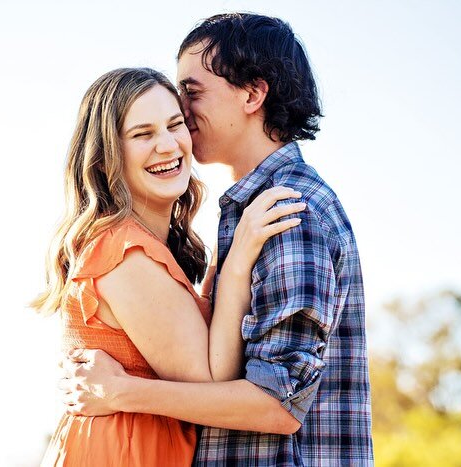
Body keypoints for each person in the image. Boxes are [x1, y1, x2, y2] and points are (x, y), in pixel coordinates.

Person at [61, 13, 374, 466]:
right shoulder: (247, 215)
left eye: (190, 94)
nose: (182, 120)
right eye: (144, 132)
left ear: (251, 94)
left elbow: (277, 400)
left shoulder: (290, 213)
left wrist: (123, 392)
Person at [32, 67, 306, 466]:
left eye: (175, 125)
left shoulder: (147, 247)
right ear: (108, 155)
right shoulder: (124, 252)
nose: (167, 145)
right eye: (143, 134)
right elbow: (213, 381)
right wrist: (235, 266)